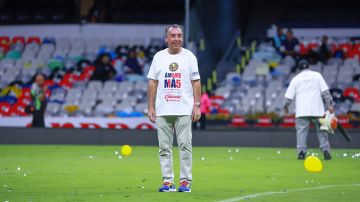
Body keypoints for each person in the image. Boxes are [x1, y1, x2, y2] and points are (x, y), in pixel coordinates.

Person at [147, 24, 201, 193]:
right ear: (166, 38)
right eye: (173, 36)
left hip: (183, 109)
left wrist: (197, 106)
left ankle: (185, 181)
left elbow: (196, 82)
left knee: (185, 145)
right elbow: (153, 82)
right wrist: (151, 106)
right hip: (163, 109)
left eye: (179, 35)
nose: (176, 38)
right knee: (164, 148)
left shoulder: (189, 57)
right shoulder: (158, 57)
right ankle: (168, 181)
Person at [284, 60, 334, 160]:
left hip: (302, 111)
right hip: (318, 110)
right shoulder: (317, 76)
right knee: (322, 132)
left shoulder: (296, 79)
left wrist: (286, 106)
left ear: (299, 68)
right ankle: (326, 152)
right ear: (308, 67)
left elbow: (288, 97)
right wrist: (330, 105)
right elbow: (325, 92)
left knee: (301, 133)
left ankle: (301, 153)